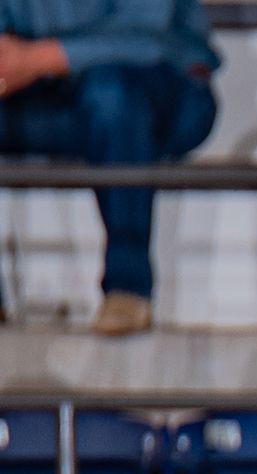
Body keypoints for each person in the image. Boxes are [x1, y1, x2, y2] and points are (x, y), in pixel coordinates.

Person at [0, 0, 218, 337]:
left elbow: (144, 34)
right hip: (54, 92)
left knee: (111, 92)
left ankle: (128, 289)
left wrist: (35, 58)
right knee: (104, 95)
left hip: (161, 84)